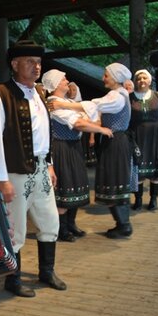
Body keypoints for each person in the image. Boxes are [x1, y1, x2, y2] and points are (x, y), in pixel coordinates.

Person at [0, 39, 67, 297]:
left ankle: (46, 271)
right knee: (16, 229)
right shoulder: (2, 95)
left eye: (39, 62)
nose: (36, 67)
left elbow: (45, 134)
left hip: (41, 169)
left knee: (50, 221)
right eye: (30, 62)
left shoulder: (40, 93)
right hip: (15, 173)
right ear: (15, 64)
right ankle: (13, 279)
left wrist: (50, 165)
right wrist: (0, 180)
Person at [51, 63, 134, 239]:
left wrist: (66, 106)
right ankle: (67, 227)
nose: (103, 78)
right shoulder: (119, 94)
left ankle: (124, 225)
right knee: (111, 178)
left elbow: (96, 106)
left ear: (116, 77)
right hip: (107, 140)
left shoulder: (117, 96)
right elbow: (88, 116)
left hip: (115, 140)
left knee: (115, 178)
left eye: (106, 75)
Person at [42, 69, 113, 241]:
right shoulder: (53, 103)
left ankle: (71, 224)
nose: (67, 80)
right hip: (62, 149)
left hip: (72, 148)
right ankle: (62, 229)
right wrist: (101, 129)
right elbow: (79, 123)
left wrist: (94, 123)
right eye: (63, 79)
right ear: (54, 84)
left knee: (75, 185)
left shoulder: (65, 101)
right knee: (65, 188)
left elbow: (88, 116)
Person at [128, 69, 158, 211]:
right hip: (137, 136)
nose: (142, 81)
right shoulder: (130, 97)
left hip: (154, 136)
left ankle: (153, 199)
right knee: (138, 169)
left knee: (155, 171)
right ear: (136, 81)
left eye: (144, 78)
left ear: (149, 80)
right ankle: (138, 199)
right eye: (139, 78)